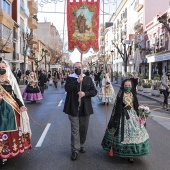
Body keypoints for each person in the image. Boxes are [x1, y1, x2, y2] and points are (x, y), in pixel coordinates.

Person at [101, 79, 149, 163]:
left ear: (131, 86)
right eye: (126, 86)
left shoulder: (133, 94)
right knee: (121, 134)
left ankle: (131, 155)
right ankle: (122, 150)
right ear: (123, 86)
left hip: (133, 116)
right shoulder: (120, 94)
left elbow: (136, 105)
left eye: (129, 86)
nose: (127, 87)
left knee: (135, 134)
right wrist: (116, 119)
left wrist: (141, 114)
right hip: (122, 115)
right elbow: (117, 107)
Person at [0, 58, 32, 167]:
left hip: (10, 113)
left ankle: (5, 154)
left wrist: (21, 105)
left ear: (7, 69)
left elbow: (14, 95)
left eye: (3, 67)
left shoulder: (10, 80)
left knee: (8, 132)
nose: (1, 69)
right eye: (0, 68)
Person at [63, 62, 97, 161]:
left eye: (79, 67)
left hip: (85, 108)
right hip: (73, 108)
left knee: (83, 129)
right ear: (73, 68)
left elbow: (94, 91)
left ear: (82, 68)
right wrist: (77, 81)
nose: (77, 69)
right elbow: (67, 88)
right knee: (75, 130)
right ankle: (74, 150)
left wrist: (85, 93)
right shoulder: (70, 78)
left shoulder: (88, 79)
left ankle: (81, 144)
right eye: (76, 67)